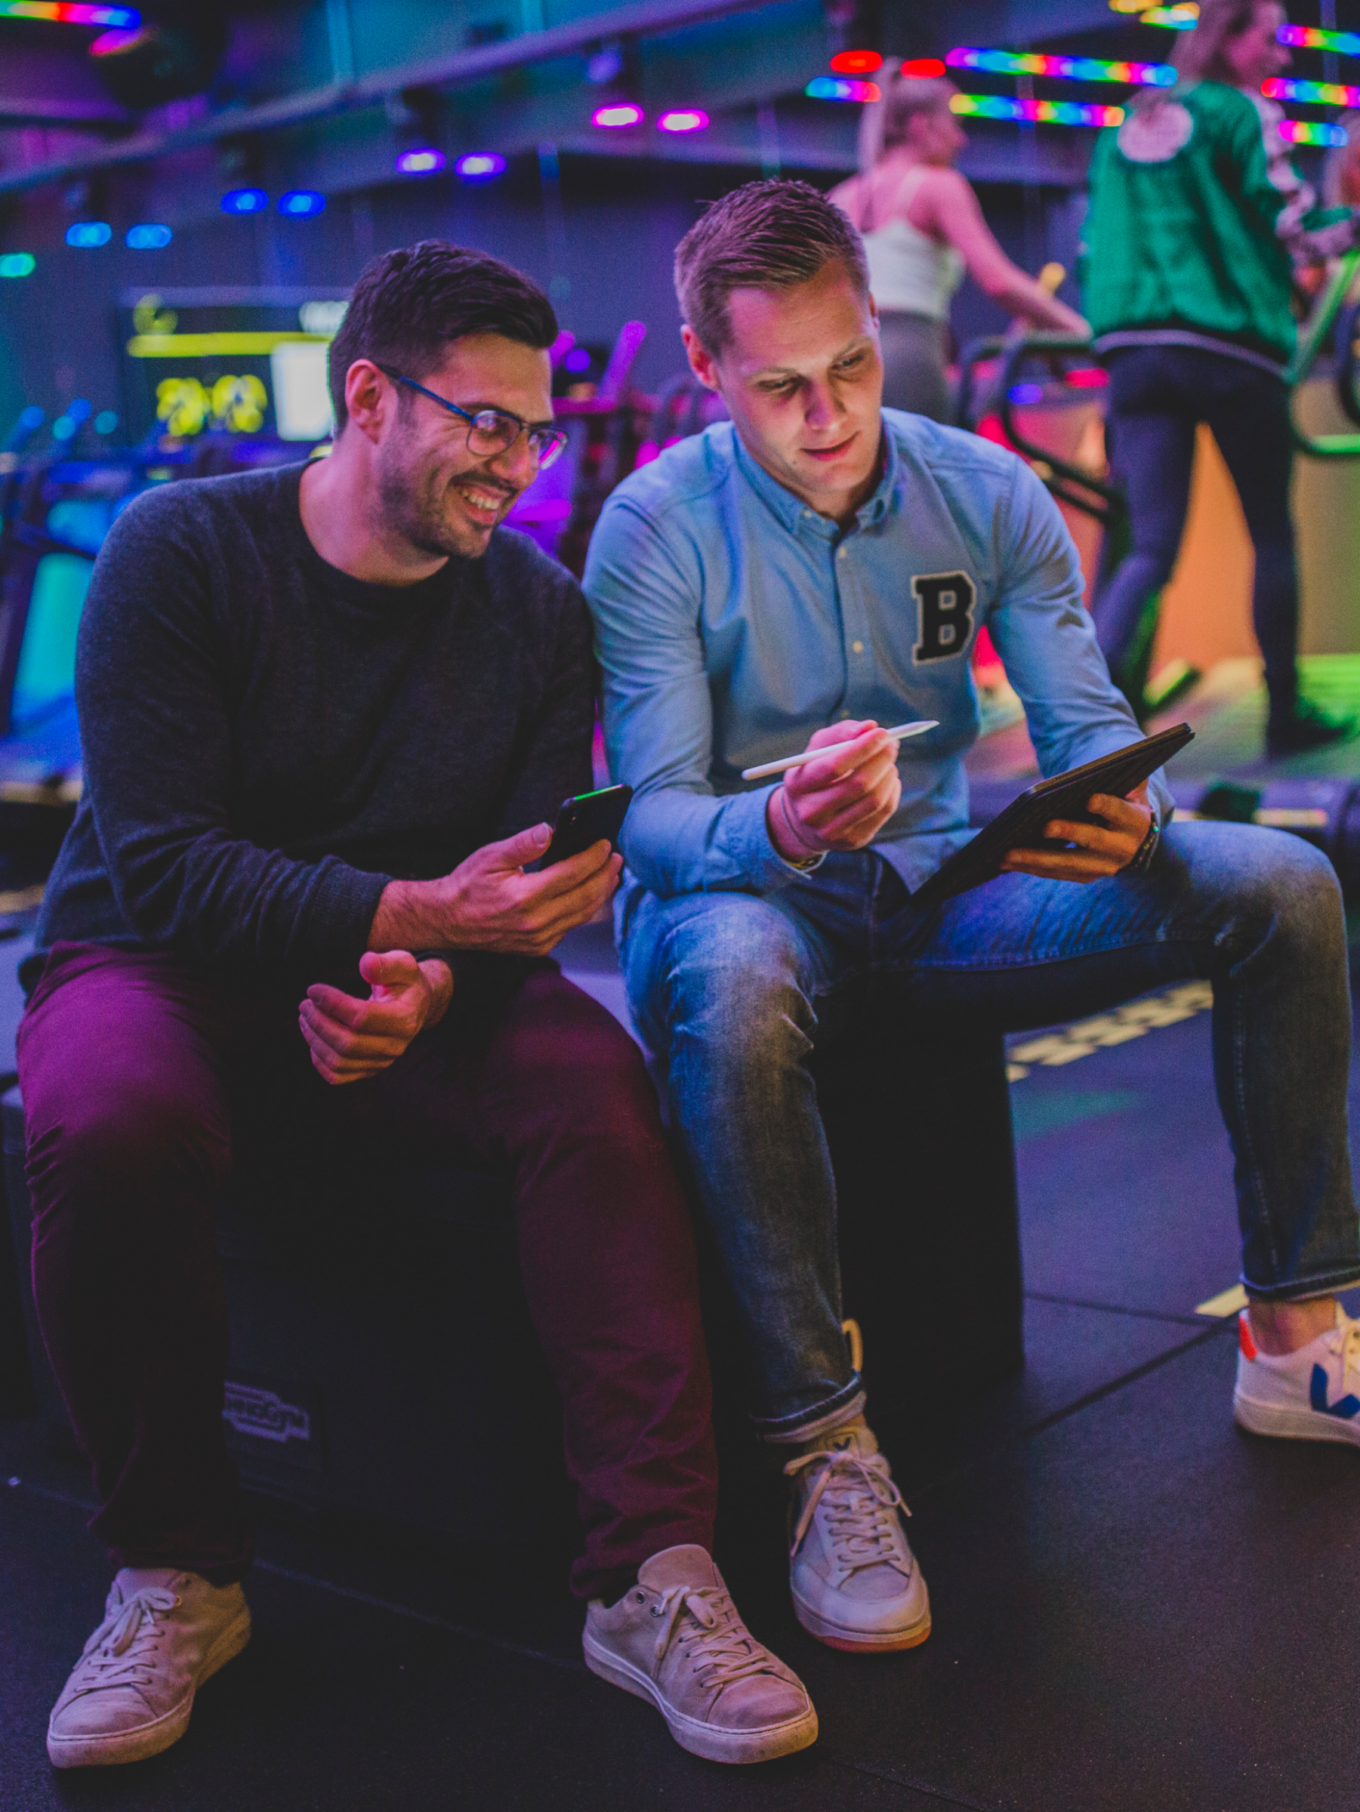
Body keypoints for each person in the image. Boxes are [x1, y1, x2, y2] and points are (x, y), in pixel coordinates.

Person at [20, 241, 817, 1772]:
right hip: (160, 958)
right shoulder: (174, 552)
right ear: (370, 397)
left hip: (410, 973)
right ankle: (176, 1576)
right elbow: (172, 869)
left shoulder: (533, 608)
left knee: (591, 1093)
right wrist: (418, 920)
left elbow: (518, 880)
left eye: (540, 432)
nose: (519, 466)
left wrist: (440, 973)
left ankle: (653, 1574)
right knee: (105, 1114)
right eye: (486, 424)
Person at [584, 178, 1360, 1659]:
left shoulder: (983, 489)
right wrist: (783, 823)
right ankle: (826, 1454)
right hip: (744, 899)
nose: (830, 415)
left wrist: (1113, 809)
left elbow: (1086, 725)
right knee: (737, 979)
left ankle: (1294, 1337)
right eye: (783, 388)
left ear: (882, 327)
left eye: (854, 367)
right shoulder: (652, 529)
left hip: (945, 892)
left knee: (1283, 884)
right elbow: (659, 818)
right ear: (709, 372)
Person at [1081, 0, 1360, 753]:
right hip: (1230, 345)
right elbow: (1295, 229)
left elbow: (1097, 237)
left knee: (1150, 547)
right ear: (1229, 38)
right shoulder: (1242, 113)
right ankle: (1287, 715)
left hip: (1134, 349)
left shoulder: (1133, 119)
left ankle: (1088, 731)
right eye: (1270, 40)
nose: (1281, 58)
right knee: (1271, 530)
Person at [830, 64, 1087, 421]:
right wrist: (1082, 331)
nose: (960, 139)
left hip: (842, 365)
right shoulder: (938, 185)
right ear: (922, 125)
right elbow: (999, 282)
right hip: (909, 363)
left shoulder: (840, 197)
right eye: (955, 124)